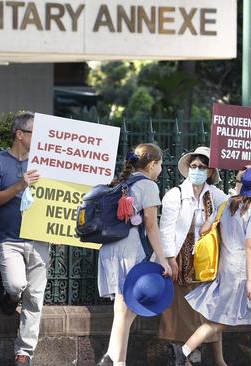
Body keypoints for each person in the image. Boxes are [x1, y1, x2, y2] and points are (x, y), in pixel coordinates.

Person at [175, 166, 251, 366]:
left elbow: (203, 229)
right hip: (245, 272)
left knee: (216, 322)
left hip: (225, 269)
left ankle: (184, 351)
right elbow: (250, 247)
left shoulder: (227, 205)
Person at [96, 143, 172, 366]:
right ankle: (110, 359)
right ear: (152, 164)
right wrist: (163, 260)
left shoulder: (122, 182)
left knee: (125, 309)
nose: (161, 170)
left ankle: (117, 361)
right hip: (129, 250)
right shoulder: (148, 186)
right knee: (125, 309)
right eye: (160, 165)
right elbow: (151, 226)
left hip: (110, 248)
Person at [0, 111, 48, 366]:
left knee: (35, 297)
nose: (40, 137)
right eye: (35, 132)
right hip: (9, 239)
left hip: (40, 239)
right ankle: (10, 299)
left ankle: (24, 353)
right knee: (16, 286)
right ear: (20, 135)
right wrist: (20, 185)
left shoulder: (45, 162)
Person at [158, 146, 229, 366]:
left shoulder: (214, 195)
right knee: (180, 310)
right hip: (180, 257)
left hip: (205, 260)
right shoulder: (175, 194)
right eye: (193, 166)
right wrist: (170, 260)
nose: (196, 169)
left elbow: (230, 207)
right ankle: (183, 355)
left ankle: (194, 354)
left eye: (202, 167)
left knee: (203, 310)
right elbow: (165, 229)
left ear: (210, 171)